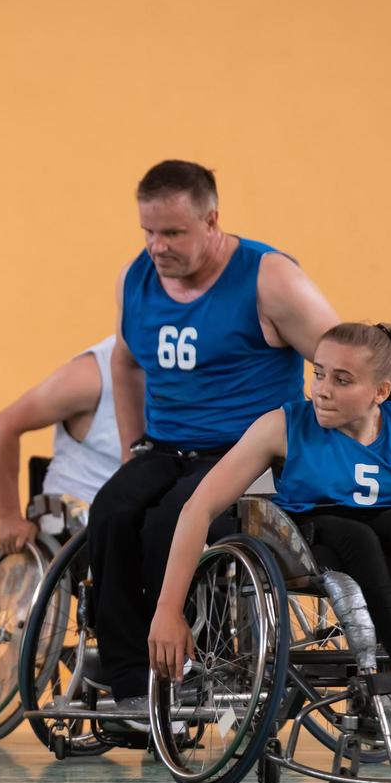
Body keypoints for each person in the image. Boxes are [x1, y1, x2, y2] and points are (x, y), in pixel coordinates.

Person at [88, 159, 339, 711]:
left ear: (212, 221)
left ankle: (191, 657)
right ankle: (131, 682)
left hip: (245, 455)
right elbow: (126, 364)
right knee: (109, 511)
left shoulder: (268, 278)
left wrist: (330, 452)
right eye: (148, 232)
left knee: (171, 522)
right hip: (168, 447)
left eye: (173, 232)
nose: (158, 246)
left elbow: (344, 365)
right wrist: (134, 449)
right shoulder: (137, 280)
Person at [148, 323, 391, 729]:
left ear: (380, 392)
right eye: (318, 373)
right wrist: (167, 609)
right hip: (316, 546)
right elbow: (197, 508)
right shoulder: (282, 426)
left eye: (341, 380)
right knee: (358, 533)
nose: (322, 389)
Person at [0, 336, 120, 553]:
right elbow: (1, 428)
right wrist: (8, 516)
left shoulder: (182, 371)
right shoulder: (92, 374)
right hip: (71, 533)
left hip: (132, 525)